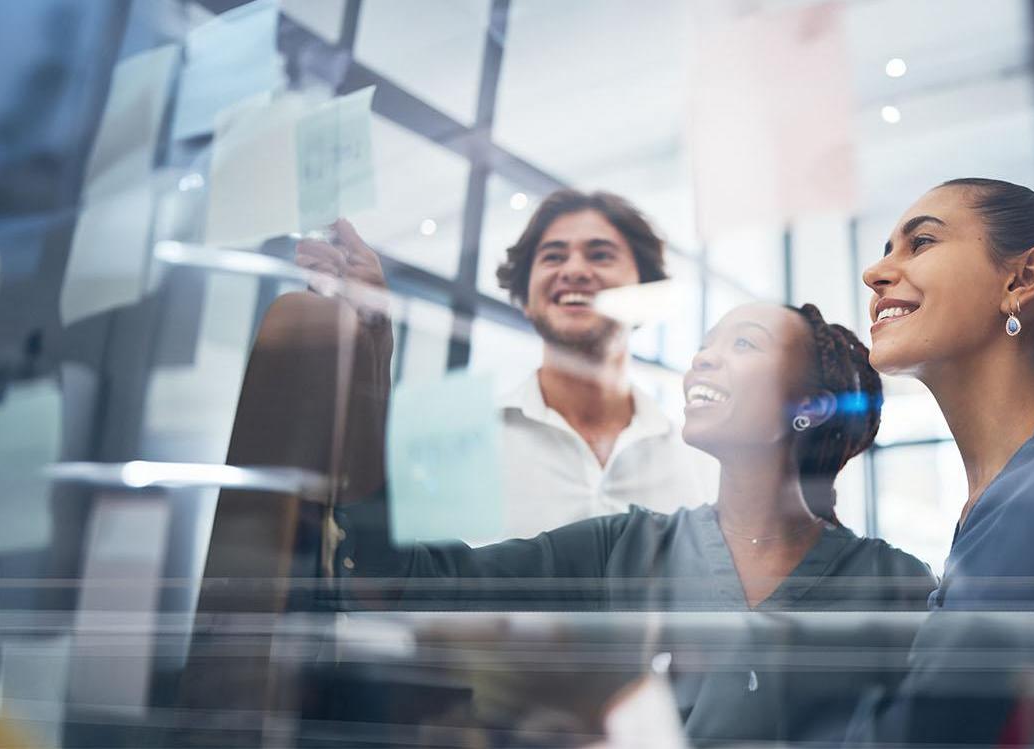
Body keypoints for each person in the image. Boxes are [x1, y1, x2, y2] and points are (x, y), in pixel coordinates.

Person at [333, 301, 935, 745]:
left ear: (811, 407)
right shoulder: (622, 548)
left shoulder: (895, 586)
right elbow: (420, 584)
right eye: (705, 345)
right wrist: (369, 371)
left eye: (744, 345)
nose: (703, 358)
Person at [843, 178, 1034, 745]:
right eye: (883, 252)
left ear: (1022, 279)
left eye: (920, 243)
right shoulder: (1012, 494)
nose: (875, 274)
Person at [296, 190, 713, 545]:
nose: (574, 270)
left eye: (600, 254)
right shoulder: (452, 442)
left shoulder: (702, 465)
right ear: (526, 297)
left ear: (645, 290)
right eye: (553, 257)